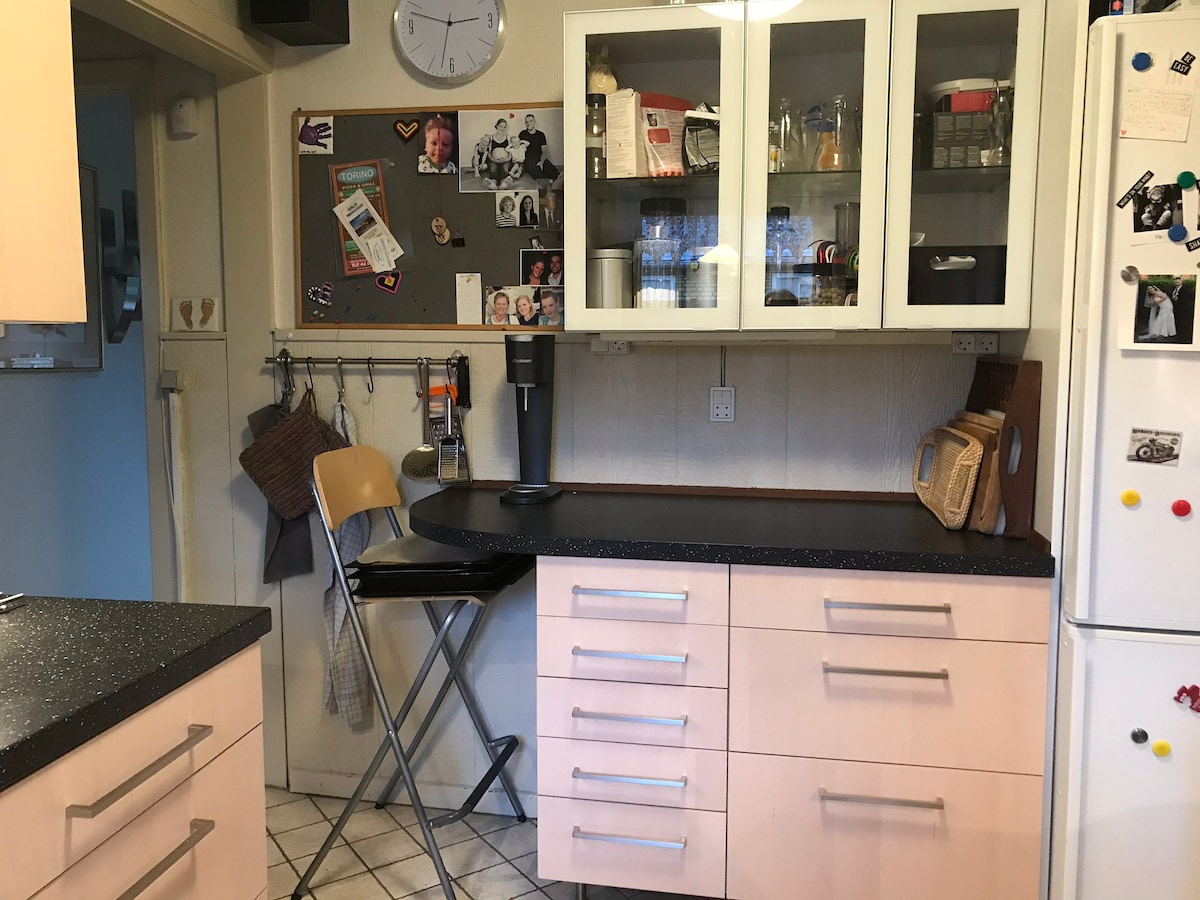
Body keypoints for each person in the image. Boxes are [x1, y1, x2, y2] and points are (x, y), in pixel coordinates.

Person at [476, 119, 523, 189]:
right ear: (497, 126)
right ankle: (493, 183)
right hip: (493, 159)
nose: (502, 129)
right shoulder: (491, 138)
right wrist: (492, 159)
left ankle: (504, 183)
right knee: (493, 169)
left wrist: (507, 159)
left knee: (505, 168)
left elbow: (511, 151)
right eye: (501, 126)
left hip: (506, 160)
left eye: (504, 127)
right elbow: (489, 152)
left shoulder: (508, 137)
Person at [519, 114, 560, 185]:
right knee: (536, 171)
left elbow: (544, 151)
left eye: (530, 121)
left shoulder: (541, 135)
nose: (528, 123)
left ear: (534, 122)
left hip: (539, 157)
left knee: (553, 171)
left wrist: (541, 161)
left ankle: (560, 183)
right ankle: (547, 183)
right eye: (526, 122)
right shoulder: (522, 134)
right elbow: (518, 149)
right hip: (528, 160)